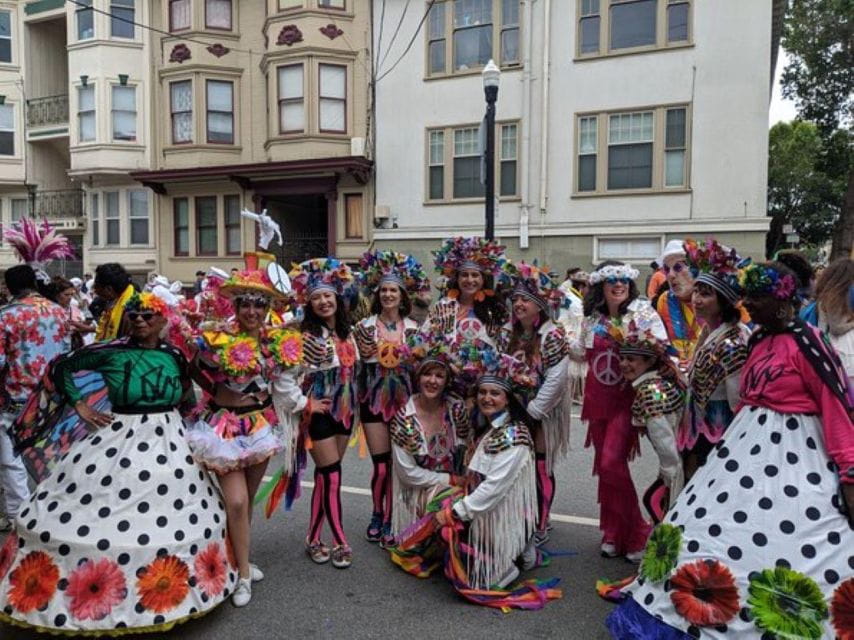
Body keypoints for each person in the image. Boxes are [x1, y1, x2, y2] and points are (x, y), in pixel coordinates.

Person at [607, 261, 853, 640]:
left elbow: (835, 407)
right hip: (740, 452)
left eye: (758, 297)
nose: (748, 304)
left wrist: (849, 472)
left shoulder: (809, 342)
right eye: (747, 297)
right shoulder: (757, 340)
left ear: (783, 300)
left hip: (795, 458)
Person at [0, 291, 237, 634]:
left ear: (163, 320)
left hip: (170, 437)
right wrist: (80, 406)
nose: (139, 320)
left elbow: (193, 386)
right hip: (118, 436)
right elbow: (61, 367)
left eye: (148, 315)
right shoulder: (110, 351)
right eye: (134, 315)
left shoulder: (174, 354)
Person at [392, 349, 562, 610]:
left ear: (509, 399)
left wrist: (456, 512)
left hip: (498, 513)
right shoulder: (485, 427)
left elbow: (493, 490)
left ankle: (504, 559)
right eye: (482, 392)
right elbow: (409, 473)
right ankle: (499, 550)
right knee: (439, 503)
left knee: (471, 572)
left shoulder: (513, 435)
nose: (487, 398)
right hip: (480, 504)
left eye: (495, 393)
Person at [187, 268, 298, 606]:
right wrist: (216, 393)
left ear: (267, 309)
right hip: (223, 427)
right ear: (235, 306)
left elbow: (285, 382)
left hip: (260, 426)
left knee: (246, 502)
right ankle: (243, 577)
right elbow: (191, 367)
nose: (252, 311)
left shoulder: (276, 341)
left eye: (259, 305)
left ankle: (239, 559)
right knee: (234, 501)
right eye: (246, 304)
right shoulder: (216, 338)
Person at [571, 261, 666, 562]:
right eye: (612, 280)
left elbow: (661, 348)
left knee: (612, 462)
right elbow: (580, 351)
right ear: (601, 286)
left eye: (624, 279)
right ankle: (612, 530)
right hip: (597, 400)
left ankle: (638, 531)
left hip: (628, 400)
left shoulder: (643, 313)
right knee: (606, 467)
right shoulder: (591, 319)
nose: (618, 284)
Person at [354, 250, 429, 546]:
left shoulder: (414, 329)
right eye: (383, 290)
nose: (388, 295)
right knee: (382, 465)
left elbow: (422, 369)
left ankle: (397, 517)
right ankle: (378, 515)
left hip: (404, 403)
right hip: (373, 401)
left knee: (403, 465)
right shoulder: (364, 327)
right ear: (377, 294)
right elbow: (355, 368)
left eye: (393, 290)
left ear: (402, 295)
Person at [288, 258, 359, 569]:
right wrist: (306, 404)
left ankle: (313, 537)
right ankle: (341, 540)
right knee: (332, 476)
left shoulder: (350, 332)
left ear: (337, 298)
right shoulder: (303, 337)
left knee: (326, 477)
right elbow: (286, 376)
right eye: (316, 297)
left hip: (346, 411)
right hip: (319, 414)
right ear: (309, 304)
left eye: (328, 295)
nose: (323, 301)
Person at [498, 262, 569, 545]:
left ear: (540, 305)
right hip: (513, 408)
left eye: (525, 299)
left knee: (541, 465)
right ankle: (521, 515)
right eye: (515, 299)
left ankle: (542, 521)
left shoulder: (553, 334)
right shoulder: (507, 332)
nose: (518, 304)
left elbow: (557, 377)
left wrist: (535, 411)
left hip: (542, 410)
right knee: (516, 465)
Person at [0, 266, 70, 532]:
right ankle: (53, 511)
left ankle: (20, 516)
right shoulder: (58, 311)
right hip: (52, 396)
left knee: (11, 459)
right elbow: (66, 354)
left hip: (15, 399)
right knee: (50, 457)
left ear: (10, 287)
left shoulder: (6, 316)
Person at [679, 239, 751, 479]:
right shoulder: (710, 330)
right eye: (697, 291)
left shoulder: (732, 341)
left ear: (724, 300)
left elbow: (737, 401)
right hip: (699, 427)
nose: (697, 299)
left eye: (706, 294)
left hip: (718, 431)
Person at [389, 327, 468, 536]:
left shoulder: (455, 409)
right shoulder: (404, 418)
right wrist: (449, 481)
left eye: (439, 376)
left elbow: (469, 451)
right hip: (421, 491)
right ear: (418, 377)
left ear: (447, 381)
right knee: (451, 514)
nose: (432, 381)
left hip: (459, 484)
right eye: (427, 374)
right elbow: (408, 474)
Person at [616, 320, 685, 524]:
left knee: (655, 501)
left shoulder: (650, 392)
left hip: (679, 464)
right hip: (681, 460)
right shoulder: (657, 384)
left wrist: (672, 479)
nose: (623, 364)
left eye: (631, 359)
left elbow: (665, 442)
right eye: (622, 358)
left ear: (649, 362)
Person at [424, 237, 509, 398]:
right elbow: (427, 339)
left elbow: (503, 349)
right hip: (447, 384)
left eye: (475, 275)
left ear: (483, 279)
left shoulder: (496, 310)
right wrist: (447, 364)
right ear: (457, 278)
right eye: (464, 275)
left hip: (484, 388)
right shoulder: (442, 307)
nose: (470, 280)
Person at [801, 258, 853, 389]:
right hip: (843, 350)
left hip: (826, 348)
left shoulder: (825, 295)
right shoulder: (837, 296)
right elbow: (837, 327)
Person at [656, 240, 701, 366]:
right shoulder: (664, 300)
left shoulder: (714, 298)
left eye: (678, 267)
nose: (670, 275)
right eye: (666, 269)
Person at [47, 276, 95, 351]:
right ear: (56, 295)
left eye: (71, 294)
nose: (70, 297)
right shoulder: (48, 311)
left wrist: (82, 326)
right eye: (66, 295)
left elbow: (86, 325)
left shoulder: (75, 308)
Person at [93, 263, 136, 341]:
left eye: (96, 287)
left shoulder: (132, 310)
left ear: (109, 289)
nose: (95, 291)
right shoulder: (113, 302)